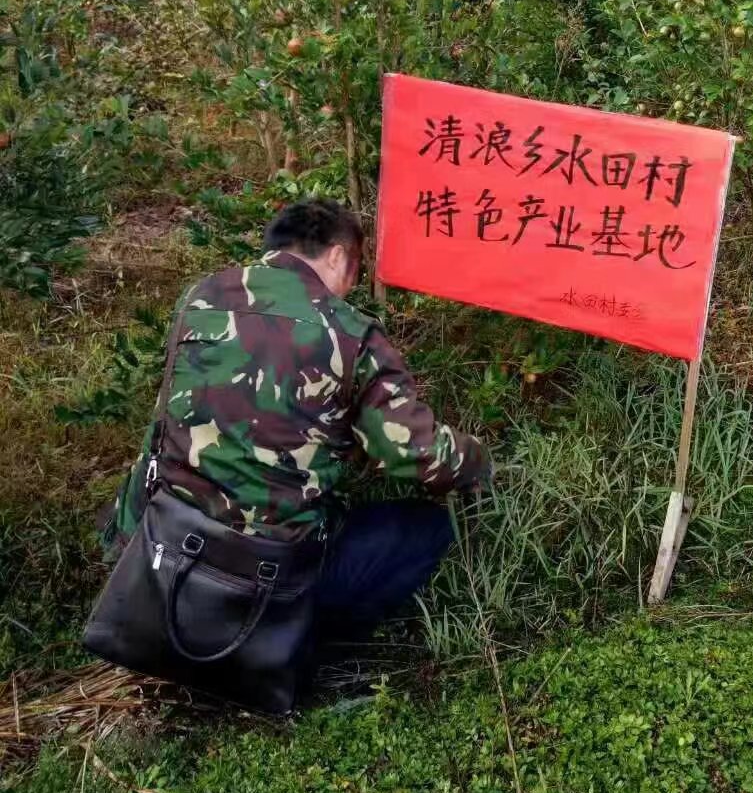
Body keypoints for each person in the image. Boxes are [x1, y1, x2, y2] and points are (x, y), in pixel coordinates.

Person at [104, 198, 488, 645]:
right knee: (428, 528)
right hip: (266, 572)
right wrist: (479, 462)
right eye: (356, 272)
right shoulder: (349, 331)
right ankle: (303, 649)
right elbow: (415, 454)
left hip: (163, 543)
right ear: (339, 255)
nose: (350, 285)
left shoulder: (200, 296)